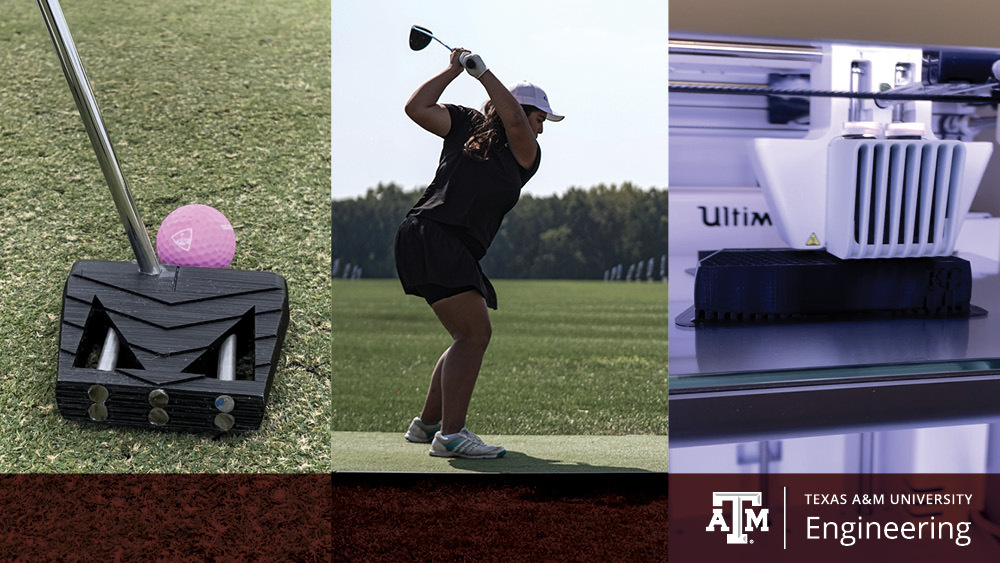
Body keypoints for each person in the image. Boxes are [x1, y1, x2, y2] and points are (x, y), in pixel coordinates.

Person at [394, 47, 563, 459]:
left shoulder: (526, 155)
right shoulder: (467, 122)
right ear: (526, 110)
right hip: (431, 233)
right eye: (541, 119)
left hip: (440, 241)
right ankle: (451, 436)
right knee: (474, 334)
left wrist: (483, 73)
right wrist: (454, 70)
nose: (540, 130)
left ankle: (427, 424)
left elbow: (514, 122)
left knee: (464, 336)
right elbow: (416, 107)